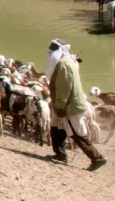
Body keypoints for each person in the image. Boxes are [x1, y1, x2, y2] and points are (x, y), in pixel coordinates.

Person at [45, 39, 107, 171]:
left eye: (52, 49)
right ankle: (60, 155)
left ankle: (97, 158)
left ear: (58, 50)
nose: (50, 51)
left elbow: (64, 86)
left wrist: (60, 105)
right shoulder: (70, 61)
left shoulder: (63, 64)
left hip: (69, 104)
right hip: (64, 102)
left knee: (76, 132)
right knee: (56, 128)